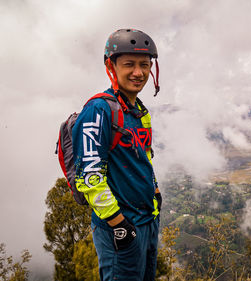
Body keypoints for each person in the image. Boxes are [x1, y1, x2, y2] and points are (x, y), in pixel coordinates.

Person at [72, 28, 162, 280]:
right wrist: (119, 224)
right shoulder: (98, 111)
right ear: (111, 66)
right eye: (129, 64)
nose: (139, 72)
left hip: (147, 222)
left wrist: (155, 190)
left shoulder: (138, 111)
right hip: (121, 231)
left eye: (145, 65)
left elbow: (144, 157)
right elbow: (89, 177)